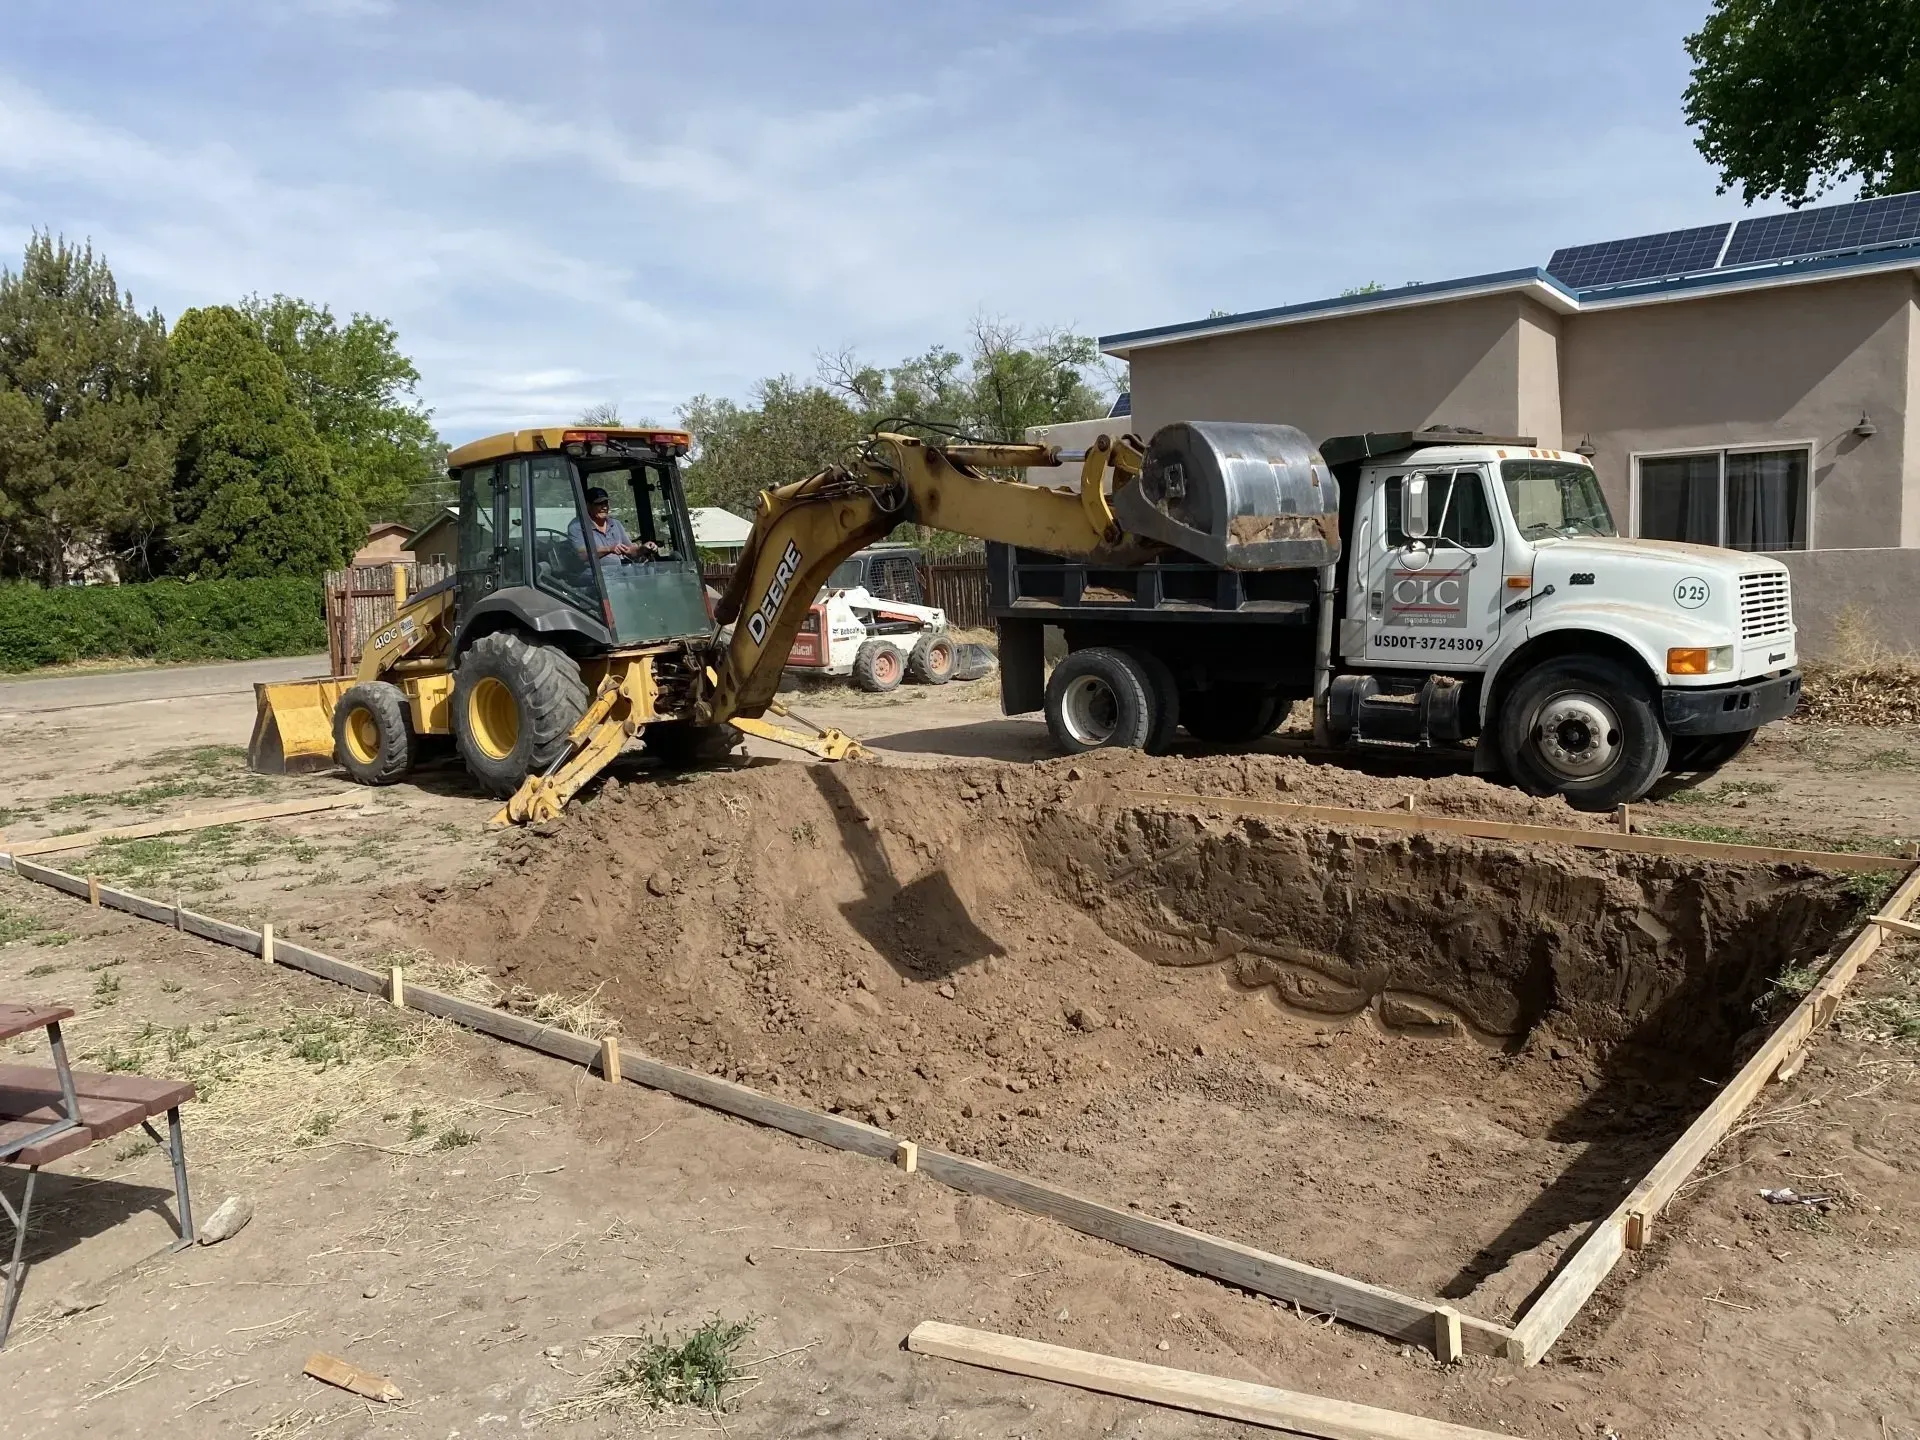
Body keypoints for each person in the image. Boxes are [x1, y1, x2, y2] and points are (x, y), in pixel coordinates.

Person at [568, 486, 657, 572]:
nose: (604, 507)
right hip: (594, 578)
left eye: (605, 503)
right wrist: (610, 549)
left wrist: (643, 548)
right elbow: (582, 555)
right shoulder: (577, 526)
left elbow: (629, 551)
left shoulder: (615, 524)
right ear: (587, 505)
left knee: (650, 572)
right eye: (599, 504)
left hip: (617, 573)